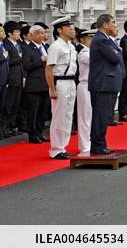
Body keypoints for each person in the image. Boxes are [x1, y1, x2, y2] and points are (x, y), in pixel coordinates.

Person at [89, 14, 125, 155]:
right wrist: (118, 51)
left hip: (107, 83)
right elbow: (115, 58)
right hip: (103, 84)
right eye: (113, 23)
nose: (115, 25)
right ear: (105, 25)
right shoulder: (101, 40)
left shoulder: (106, 40)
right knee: (100, 116)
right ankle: (97, 144)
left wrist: (117, 50)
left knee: (104, 116)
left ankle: (101, 143)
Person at [45, 16, 78, 159]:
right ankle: (56, 149)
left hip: (71, 82)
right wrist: (52, 88)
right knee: (59, 116)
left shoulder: (70, 45)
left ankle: (63, 147)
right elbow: (49, 69)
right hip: (60, 83)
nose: (73, 31)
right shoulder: (56, 46)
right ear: (60, 30)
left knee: (67, 115)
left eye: (73, 28)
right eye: (69, 28)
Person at [21, 24, 49, 144]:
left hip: (45, 83)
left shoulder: (45, 47)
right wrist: (40, 60)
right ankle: (32, 134)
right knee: (33, 111)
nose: (41, 35)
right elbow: (27, 66)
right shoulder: (27, 48)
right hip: (34, 85)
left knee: (43, 111)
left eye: (42, 33)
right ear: (31, 35)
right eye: (38, 33)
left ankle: (40, 132)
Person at [75, 28, 95, 157]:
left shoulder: (92, 52)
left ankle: (92, 143)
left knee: (92, 116)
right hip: (85, 85)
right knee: (85, 117)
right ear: (82, 40)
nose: (92, 41)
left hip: (94, 86)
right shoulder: (83, 53)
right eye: (89, 39)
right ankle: (84, 146)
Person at [1, 21, 23, 138]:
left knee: (16, 104)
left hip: (19, 78)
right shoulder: (6, 44)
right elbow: (8, 61)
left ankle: (12, 126)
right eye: (16, 32)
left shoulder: (17, 44)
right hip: (11, 78)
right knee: (7, 105)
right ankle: (5, 128)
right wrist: (20, 59)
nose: (18, 34)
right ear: (10, 33)